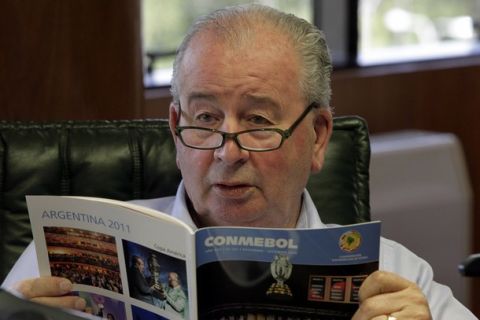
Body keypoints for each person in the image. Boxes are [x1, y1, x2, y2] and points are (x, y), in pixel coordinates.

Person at [1, 4, 477, 320]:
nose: (227, 152)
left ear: (317, 137)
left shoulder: (395, 279)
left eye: (258, 121)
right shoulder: (50, 261)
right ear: (175, 127)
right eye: (205, 118)